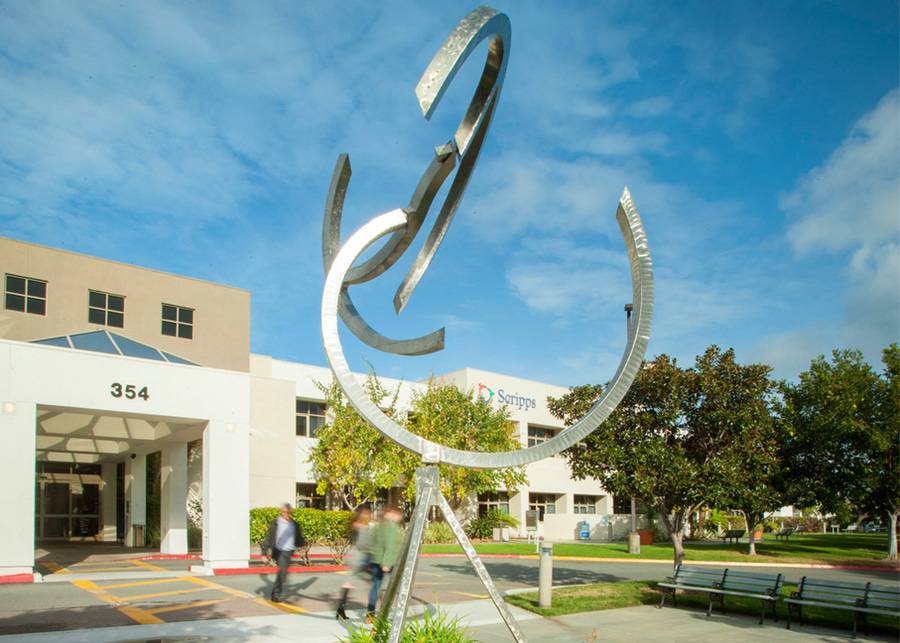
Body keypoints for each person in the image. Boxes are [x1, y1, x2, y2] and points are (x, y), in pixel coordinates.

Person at [365, 504, 403, 621]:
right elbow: (390, 545)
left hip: (376, 559)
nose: (399, 518)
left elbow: (372, 542)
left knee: (376, 586)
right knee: (396, 586)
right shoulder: (392, 527)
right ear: (391, 514)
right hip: (389, 561)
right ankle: (388, 611)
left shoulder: (378, 526)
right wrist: (386, 563)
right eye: (397, 515)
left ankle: (370, 614)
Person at [262, 503, 305, 603]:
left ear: (291, 513)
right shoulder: (276, 523)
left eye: (288, 512)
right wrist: (264, 553)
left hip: (288, 551)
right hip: (278, 551)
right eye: (284, 512)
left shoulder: (294, 524)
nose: (286, 514)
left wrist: (302, 545)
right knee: (282, 572)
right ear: (281, 512)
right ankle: (276, 594)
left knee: (283, 572)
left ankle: (275, 593)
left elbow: (299, 538)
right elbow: (269, 538)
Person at [335, 507, 373, 620]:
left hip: (355, 556)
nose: (369, 516)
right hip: (360, 558)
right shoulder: (362, 527)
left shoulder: (356, 525)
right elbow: (363, 544)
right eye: (367, 514)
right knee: (373, 583)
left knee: (349, 582)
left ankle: (340, 610)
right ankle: (371, 612)